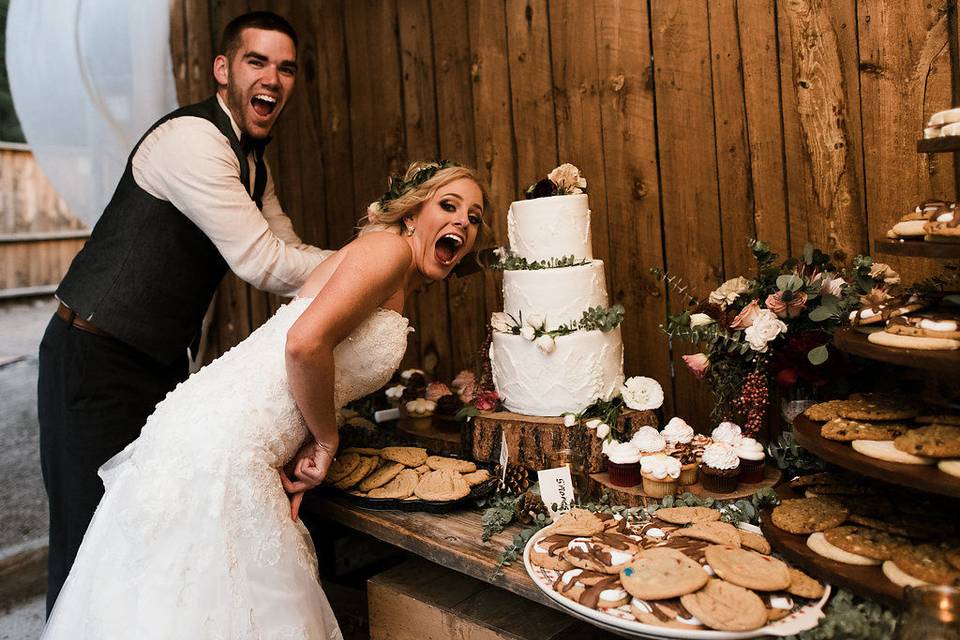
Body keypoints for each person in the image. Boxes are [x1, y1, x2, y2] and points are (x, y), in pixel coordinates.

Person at [40, 160, 490, 639]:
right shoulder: (387, 251)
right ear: (411, 215)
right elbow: (304, 344)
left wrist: (299, 437)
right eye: (449, 205)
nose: (464, 221)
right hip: (226, 439)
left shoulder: (385, 264)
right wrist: (325, 438)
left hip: (224, 427)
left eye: (475, 217)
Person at [37, 11, 331, 613]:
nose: (271, 77)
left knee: (140, 540)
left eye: (285, 67)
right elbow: (261, 261)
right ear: (224, 70)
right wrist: (366, 261)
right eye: (257, 61)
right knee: (86, 545)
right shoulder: (191, 140)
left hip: (157, 371)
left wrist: (354, 264)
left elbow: (292, 256)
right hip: (94, 360)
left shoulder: (255, 166)